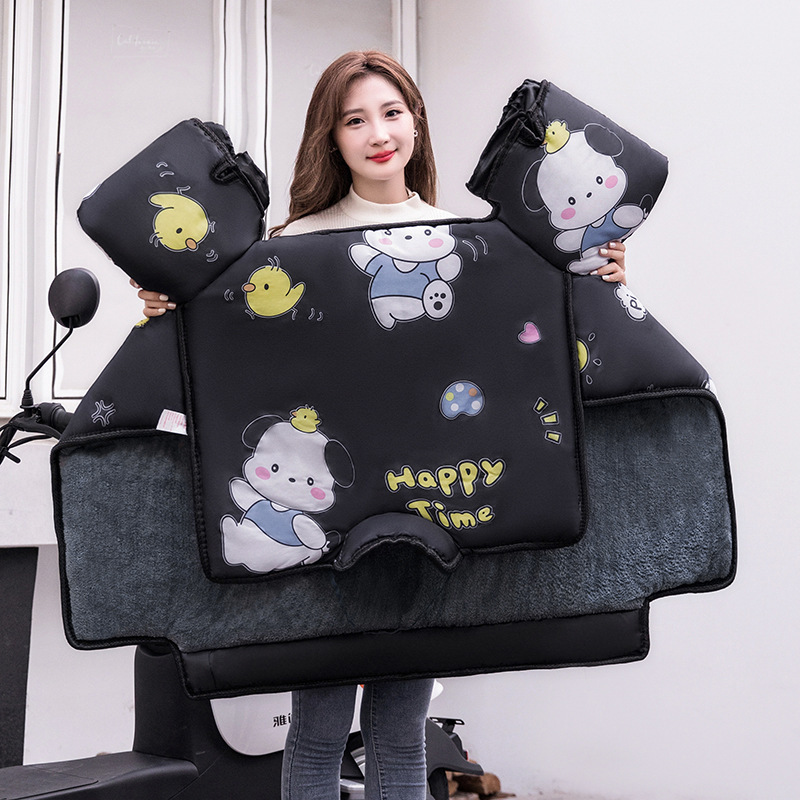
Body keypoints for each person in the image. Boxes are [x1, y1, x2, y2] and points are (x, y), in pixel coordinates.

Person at [132, 50, 628, 800]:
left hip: (426, 513)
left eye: (391, 113)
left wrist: (602, 279)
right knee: (318, 732)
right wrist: (166, 305)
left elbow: (522, 345)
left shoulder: (471, 240)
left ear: (416, 123)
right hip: (326, 521)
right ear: (332, 138)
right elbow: (231, 347)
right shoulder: (289, 243)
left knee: (401, 733)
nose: (377, 134)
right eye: (354, 120)